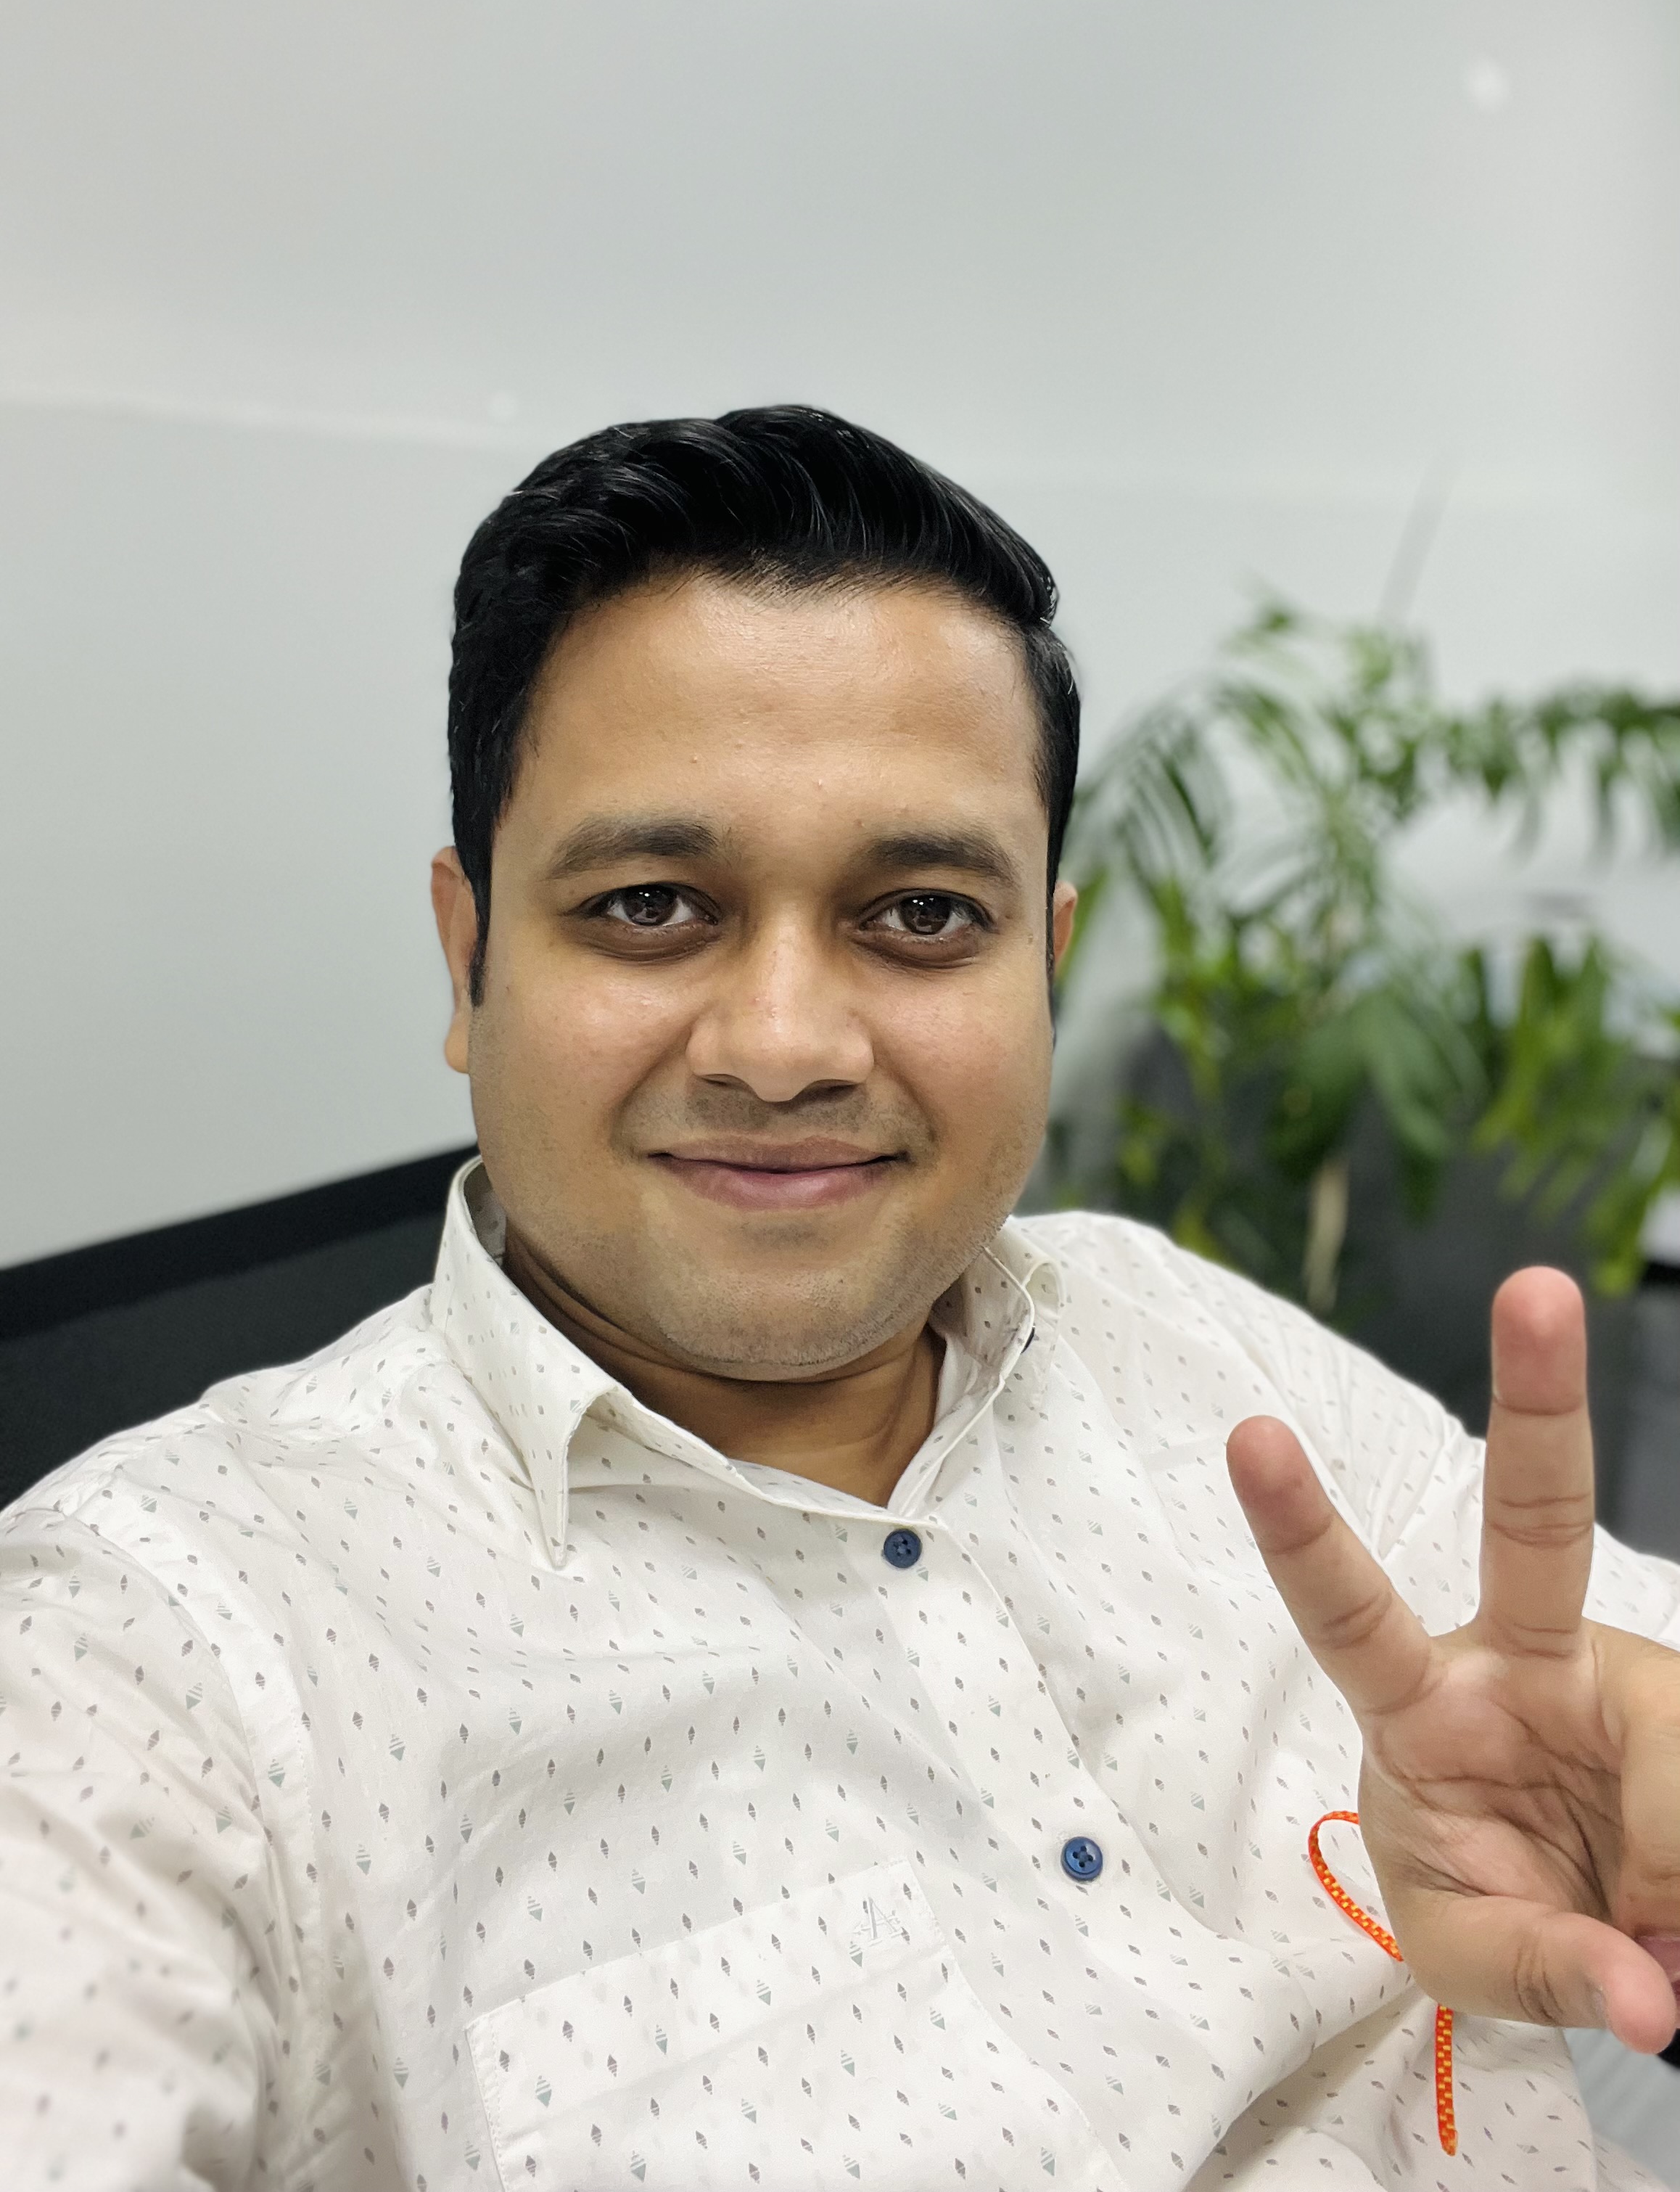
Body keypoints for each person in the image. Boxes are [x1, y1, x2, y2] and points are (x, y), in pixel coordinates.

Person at [3, 406, 1679, 2192]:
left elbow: (1614, 1736)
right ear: (468, 952)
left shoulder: (1190, 1339)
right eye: (654, 902)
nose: (787, 1045)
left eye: (923, 914)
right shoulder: (160, 1644)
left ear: (1044, 959)